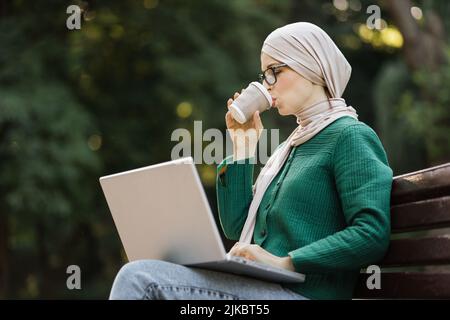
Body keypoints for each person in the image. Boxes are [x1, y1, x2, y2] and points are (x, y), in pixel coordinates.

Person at [109, 22, 393, 300]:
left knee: (140, 280)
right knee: (146, 274)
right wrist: (243, 149)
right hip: (262, 287)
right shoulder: (290, 146)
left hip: (301, 293)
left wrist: (286, 262)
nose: (266, 84)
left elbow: (371, 234)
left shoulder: (350, 136)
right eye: (264, 74)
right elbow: (237, 227)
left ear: (310, 67)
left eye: (274, 72)